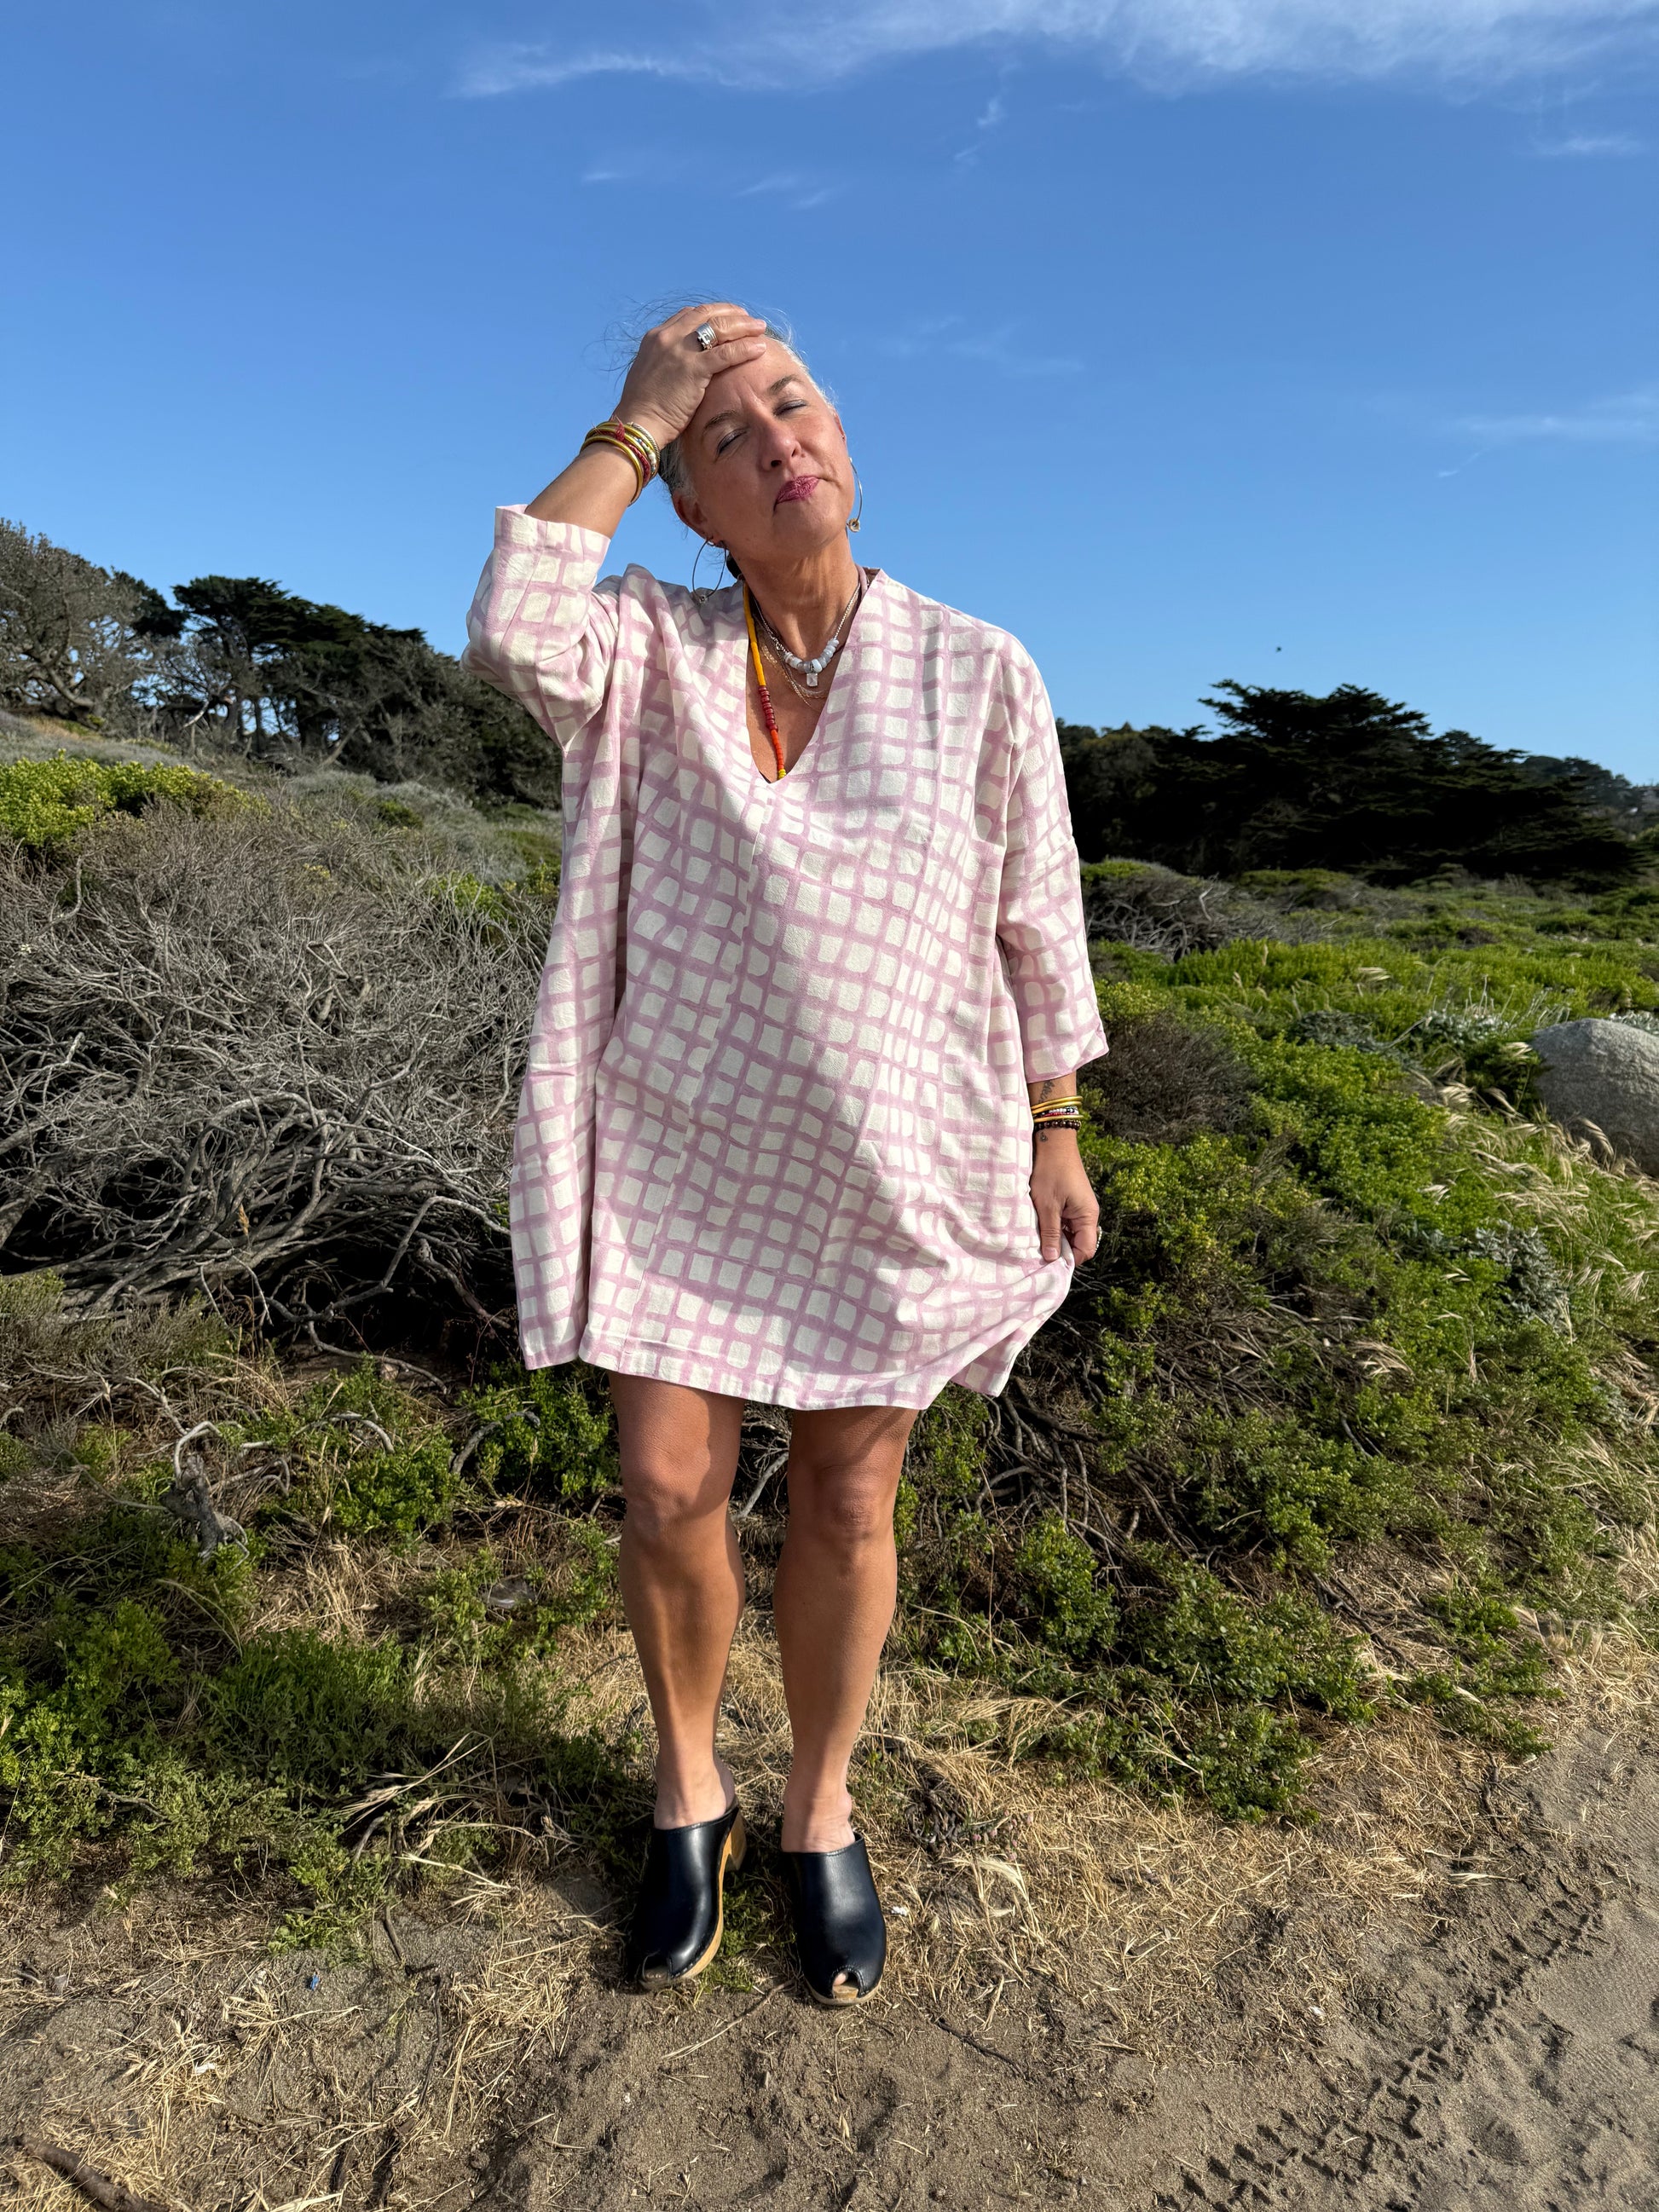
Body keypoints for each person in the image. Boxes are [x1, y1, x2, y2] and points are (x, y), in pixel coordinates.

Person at [461, 301, 1107, 2004]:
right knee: (669, 1490)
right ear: (692, 504)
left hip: (897, 1157)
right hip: (678, 1149)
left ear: (849, 445)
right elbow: (512, 622)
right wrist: (635, 416)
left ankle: (819, 1804)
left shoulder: (978, 668)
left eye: (793, 405)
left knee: (846, 1496)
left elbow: (1037, 919)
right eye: (726, 437)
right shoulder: (650, 646)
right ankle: (691, 1790)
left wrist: (1052, 1123)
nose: (774, 442)